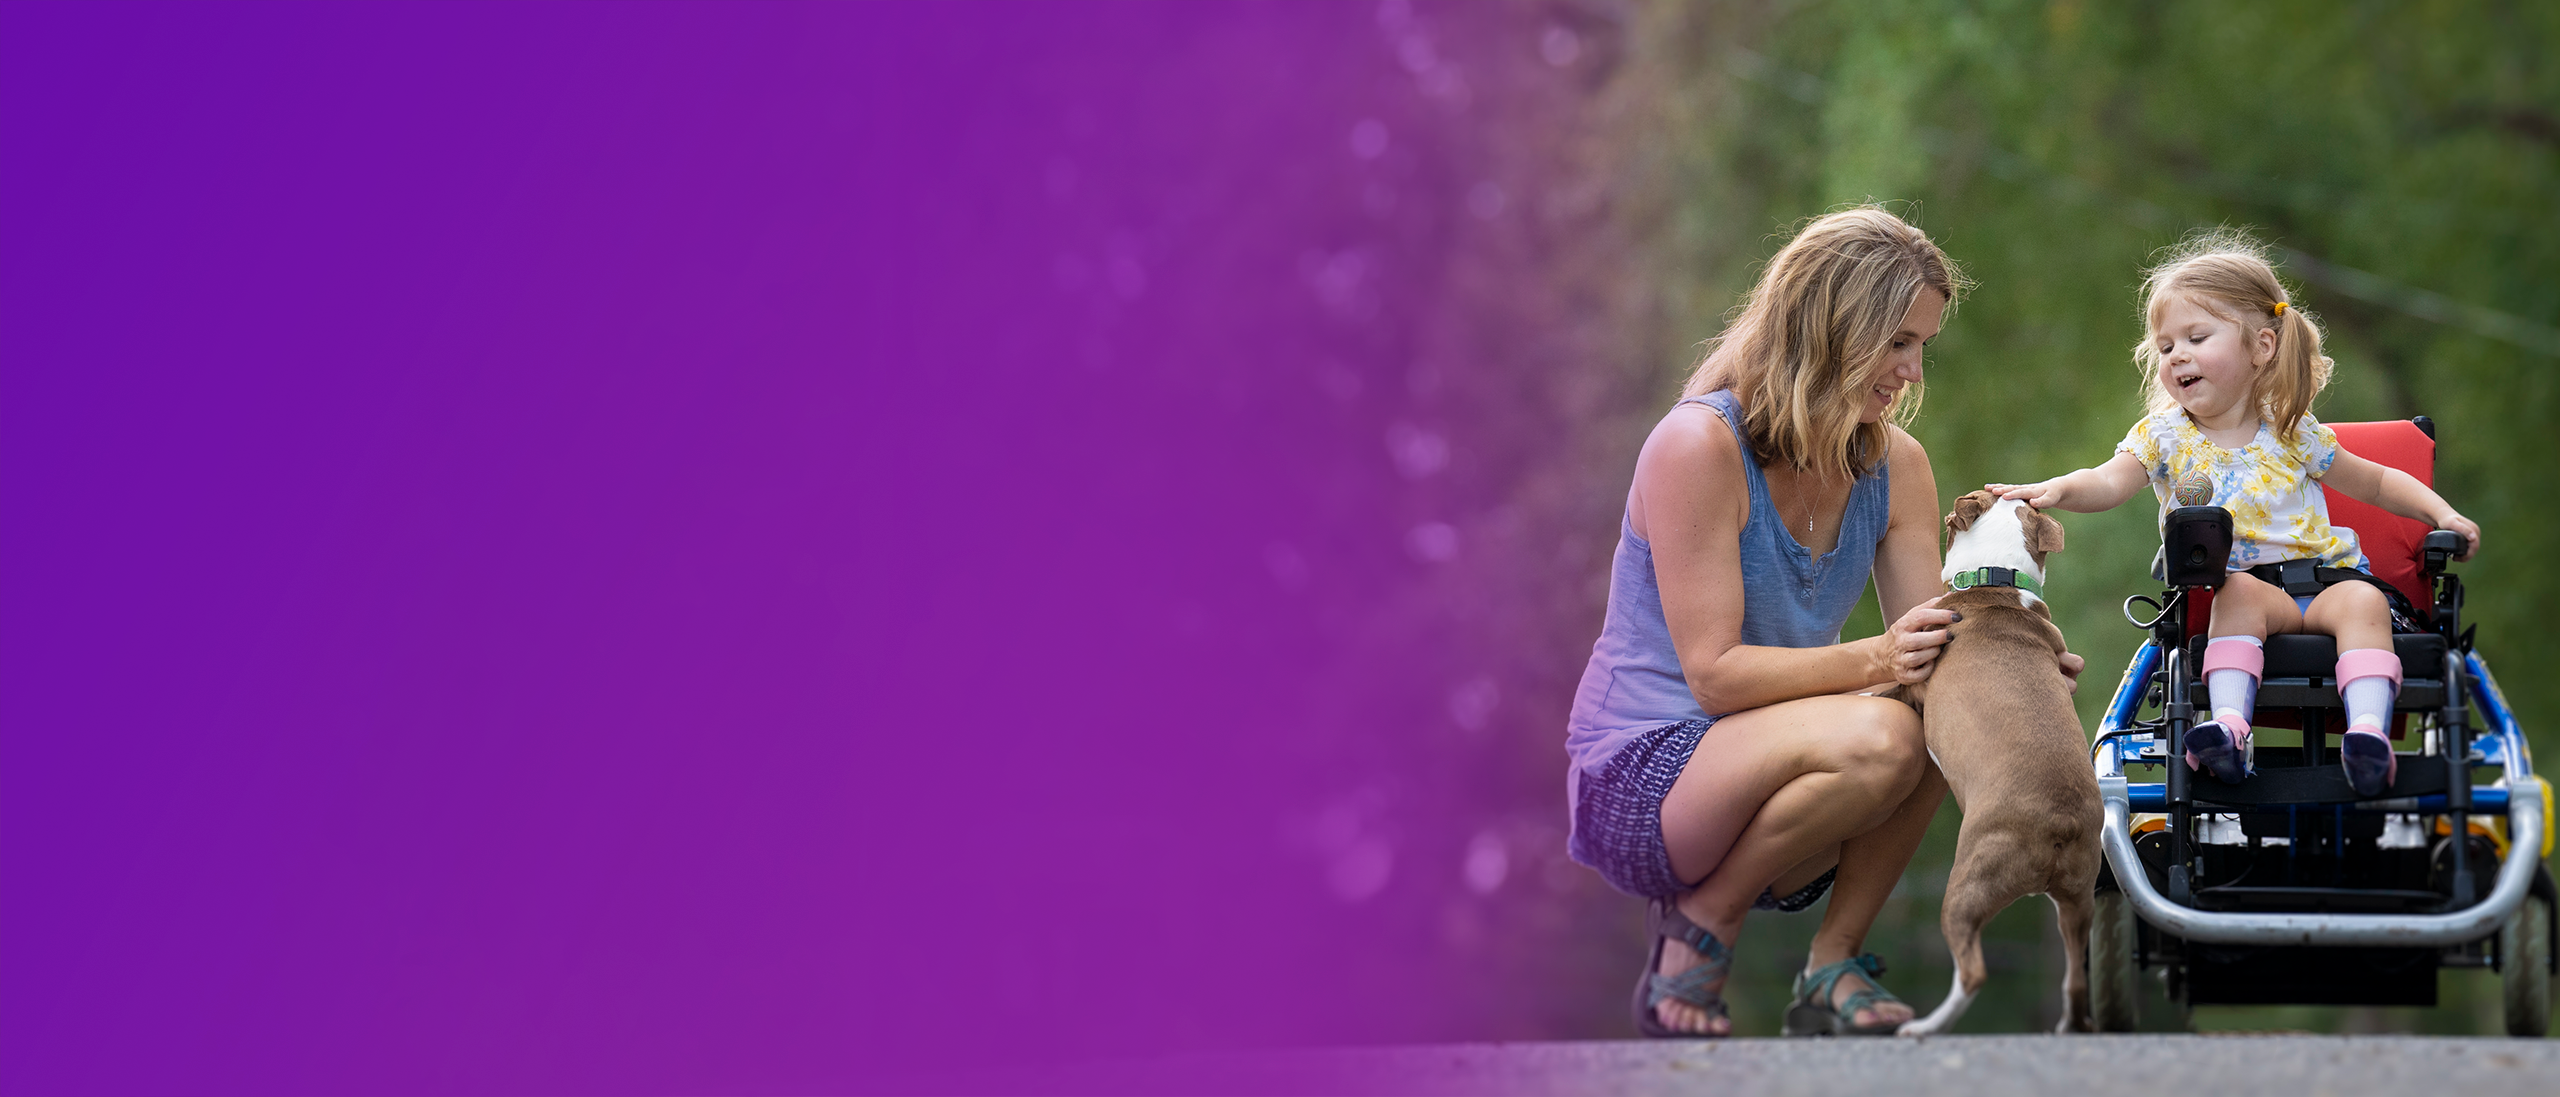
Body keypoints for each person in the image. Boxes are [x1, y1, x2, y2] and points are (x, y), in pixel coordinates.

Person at [1565, 207, 2083, 1038]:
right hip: (1647, 773)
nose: (1913, 373)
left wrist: (2011, 666)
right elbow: (1716, 674)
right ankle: (1705, 920)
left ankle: (1831, 961)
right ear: (1832, 328)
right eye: (1898, 343)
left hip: (1789, 767)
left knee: (1940, 712)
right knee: (1886, 732)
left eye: (1922, 346)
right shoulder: (1696, 447)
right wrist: (1881, 656)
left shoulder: (1896, 466)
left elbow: (1932, 652)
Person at [1993, 232, 2479, 796]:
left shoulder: (2293, 430)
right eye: (2165, 345)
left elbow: (2376, 481)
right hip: (2252, 591)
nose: (2177, 355)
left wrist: (2443, 513)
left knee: (2366, 600)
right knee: (2236, 594)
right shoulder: (2164, 438)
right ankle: (2229, 731)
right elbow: (2107, 480)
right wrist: (2055, 489)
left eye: (2197, 337)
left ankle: (2367, 734)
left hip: (2329, 582)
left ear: (2262, 347)